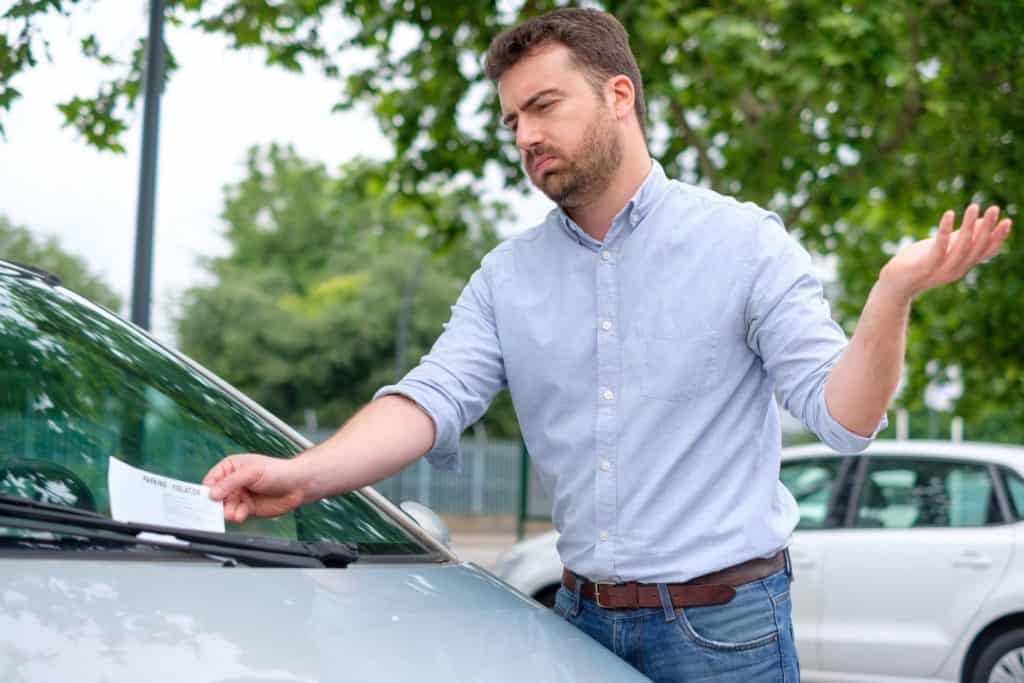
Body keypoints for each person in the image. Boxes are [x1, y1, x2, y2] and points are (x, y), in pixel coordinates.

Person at [203, 8, 1011, 681]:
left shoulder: (746, 243)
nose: (525, 135)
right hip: (576, 619)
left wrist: (890, 296)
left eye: (545, 106)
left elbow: (845, 419)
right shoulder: (506, 275)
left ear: (619, 94)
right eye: (514, 118)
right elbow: (429, 401)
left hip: (727, 635)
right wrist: (302, 474)